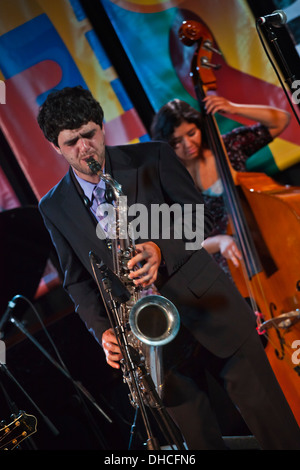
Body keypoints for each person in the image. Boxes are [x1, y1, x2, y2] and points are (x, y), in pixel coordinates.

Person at [37, 86, 300, 450]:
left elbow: (196, 221)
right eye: (71, 143)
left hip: (212, 313)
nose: (85, 149)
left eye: (89, 135)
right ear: (54, 146)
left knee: (278, 433)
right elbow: (76, 280)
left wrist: (160, 248)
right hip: (153, 343)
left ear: (101, 127)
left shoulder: (154, 156)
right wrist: (102, 333)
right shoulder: (53, 206)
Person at [151, 96, 290, 276]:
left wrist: (234, 108)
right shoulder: (170, 184)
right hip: (226, 266)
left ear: (200, 127)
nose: (187, 145)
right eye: (177, 142)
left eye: (192, 133)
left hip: (268, 242)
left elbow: (280, 120)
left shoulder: (227, 147)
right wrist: (218, 242)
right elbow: (180, 243)